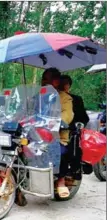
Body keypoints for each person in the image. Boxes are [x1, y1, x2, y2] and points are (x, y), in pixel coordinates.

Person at [41, 68, 74, 198]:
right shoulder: (37, 96)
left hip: (57, 136)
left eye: (48, 79)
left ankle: (61, 180)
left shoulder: (65, 98)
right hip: (36, 134)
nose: (44, 82)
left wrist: (58, 121)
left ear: (56, 81)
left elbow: (68, 115)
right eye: (44, 79)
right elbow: (27, 110)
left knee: (59, 151)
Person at [60, 75, 89, 185]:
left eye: (66, 83)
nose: (63, 85)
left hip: (69, 130)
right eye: (61, 83)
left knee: (74, 145)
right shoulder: (49, 97)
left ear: (69, 86)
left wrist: (78, 125)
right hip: (50, 130)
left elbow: (84, 118)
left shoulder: (75, 99)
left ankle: (73, 172)